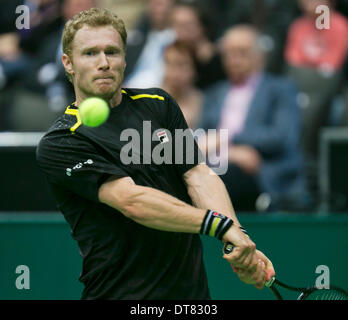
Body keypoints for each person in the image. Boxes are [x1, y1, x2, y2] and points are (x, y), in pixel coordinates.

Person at [36, 8, 274, 300]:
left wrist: (237, 240)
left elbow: (197, 174)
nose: (103, 63)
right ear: (68, 63)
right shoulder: (62, 140)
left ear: (125, 58)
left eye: (112, 51)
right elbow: (132, 201)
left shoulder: (158, 105)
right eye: (90, 53)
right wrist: (218, 225)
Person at [200, 25, 308, 212]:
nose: (234, 60)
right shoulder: (214, 93)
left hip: (262, 170)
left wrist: (228, 138)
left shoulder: (280, 90)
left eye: (242, 52)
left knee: (221, 177)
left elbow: (281, 137)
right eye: (228, 54)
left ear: (261, 56)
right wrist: (230, 153)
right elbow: (199, 137)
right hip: (217, 164)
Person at [161, 41, 203, 130]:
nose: (173, 71)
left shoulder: (204, 102)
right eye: (168, 63)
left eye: (181, 65)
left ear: (194, 69)